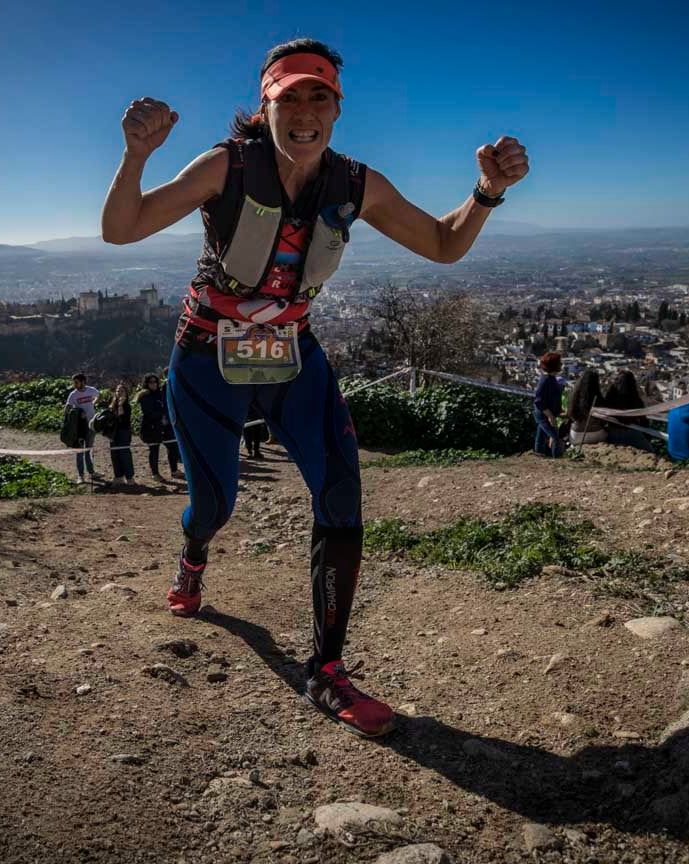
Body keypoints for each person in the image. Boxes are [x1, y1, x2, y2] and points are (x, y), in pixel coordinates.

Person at [101, 38, 529, 737]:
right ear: (265, 104)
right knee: (214, 503)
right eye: (288, 95)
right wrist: (136, 156)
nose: (303, 110)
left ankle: (327, 670)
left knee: (341, 492)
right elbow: (122, 230)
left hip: (292, 357)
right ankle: (194, 555)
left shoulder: (357, 184)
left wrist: (488, 193)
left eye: (317, 96)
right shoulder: (226, 166)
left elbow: (446, 244)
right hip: (209, 355)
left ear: (336, 108)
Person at [136, 374, 180, 480]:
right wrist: (163, 413)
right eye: (151, 382)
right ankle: (155, 474)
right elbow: (149, 413)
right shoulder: (144, 396)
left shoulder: (160, 394)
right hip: (151, 428)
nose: (154, 384)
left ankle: (174, 471)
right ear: (147, 383)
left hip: (165, 426)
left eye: (155, 381)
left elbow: (166, 405)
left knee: (173, 447)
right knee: (154, 450)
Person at [600, 370, 655, 453]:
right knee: (651, 451)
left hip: (612, 432)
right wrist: (647, 436)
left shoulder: (610, 397)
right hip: (632, 431)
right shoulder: (635, 399)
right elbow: (643, 420)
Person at [64, 373, 102, 483]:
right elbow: (67, 408)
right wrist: (76, 412)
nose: (74, 384)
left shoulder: (91, 390)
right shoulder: (73, 395)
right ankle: (81, 476)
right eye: (73, 382)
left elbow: (99, 396)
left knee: (89, 450)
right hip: (78, 427)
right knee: (79, 451)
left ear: (83, 382)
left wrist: (93, 403)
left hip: (91, 425)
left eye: (76, 382)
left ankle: (92, 472)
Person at [532, 352, 564, 458]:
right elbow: (538, 401)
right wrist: (550, 416)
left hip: (547, 413)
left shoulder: (551, 379)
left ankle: (539, 453)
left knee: (541, 434)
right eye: (559, 363)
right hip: (544, 414)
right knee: (555, 437)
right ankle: (556, 459)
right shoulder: (545, 380)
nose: (561, 365)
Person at [565, 369, 606, 447]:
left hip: (576, 436)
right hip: (597, 434)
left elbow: (570, 415)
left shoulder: (573, 398)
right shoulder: (598, 399)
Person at [108, 383, 136, 485]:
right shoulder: (111, 405)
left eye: (122, 391)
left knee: (124, 453)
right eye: (117, 391)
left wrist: (120, 405)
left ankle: (129, 477)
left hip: (124, 431)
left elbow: (121, 418)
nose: (119, 393)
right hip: (112, 432)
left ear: (126, 393)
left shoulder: (127, 406)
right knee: (114, 454)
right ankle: (118, 476)